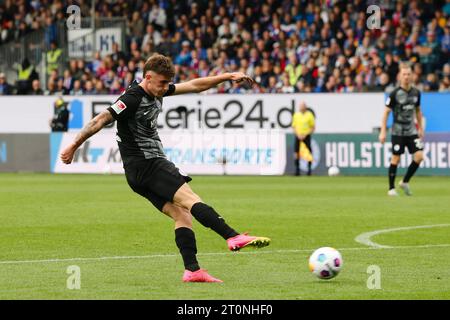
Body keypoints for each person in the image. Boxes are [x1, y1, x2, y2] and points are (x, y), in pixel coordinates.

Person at [60, 54, 270, 283]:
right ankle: (232, 236)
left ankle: (193, 270)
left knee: (181, 214)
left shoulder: (157, 88)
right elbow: (100, 120)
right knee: (190, 199)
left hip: (136, 174)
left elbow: (194, 85)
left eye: (167, 83)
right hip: (148, 164)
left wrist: (228, 76)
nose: (165, 88)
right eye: (161, 83)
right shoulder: (131, 98)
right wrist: (73, 145)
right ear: (148, 77)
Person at [379, 64, 424, 196]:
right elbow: (386, 113)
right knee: (396, 158)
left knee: (419, 156)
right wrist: (383, 131)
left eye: (408, 74)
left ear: (412, 76)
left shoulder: (416, 93)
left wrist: (420, 127)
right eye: (404, 74)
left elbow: (418, 111)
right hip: (397, 131)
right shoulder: (394, 94)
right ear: (400, 76)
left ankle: (405, 182)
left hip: (412, 131)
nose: (406, 77)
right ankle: (391, 188)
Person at [291, 101, 315, 176]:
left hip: (306, 136)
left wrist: (305, 134)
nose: (301, 107)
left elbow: (312, 127)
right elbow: (294, 126)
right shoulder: (296, 115)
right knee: (296, 152)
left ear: (305, 107)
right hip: (298, 136)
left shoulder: (309, 115)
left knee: (308, 152)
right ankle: (297, 170)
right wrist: (298, 134)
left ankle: (309, 170)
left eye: (303, 106)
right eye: (300, 106)